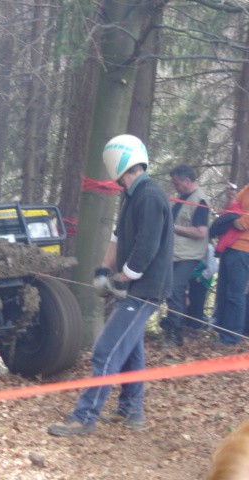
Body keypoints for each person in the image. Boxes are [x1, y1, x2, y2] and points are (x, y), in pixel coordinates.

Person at [47, 134, 173, 437]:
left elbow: (148, 246)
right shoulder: (132, 195)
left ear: (120, 164)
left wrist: (123, 276)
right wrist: (104, 269)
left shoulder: (151, 196)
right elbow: (118, 238)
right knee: (130, 349)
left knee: (105, 349)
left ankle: (84, 417)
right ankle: (132, 411)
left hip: (146, 289)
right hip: (137, 288)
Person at [161, 165, 210, 345]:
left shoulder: (200, 200)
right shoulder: (180, 198)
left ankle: (175, 333)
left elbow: (201, 232)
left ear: (187, 180)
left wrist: (175, 228)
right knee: (169, 289)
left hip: (189, 255)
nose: (175, 186)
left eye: (177, 183)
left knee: (175, 288)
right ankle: (172, 326)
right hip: (174, 253)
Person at [213, 183, 249, 345]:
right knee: (224, 292)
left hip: (243, 249)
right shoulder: (247, 188)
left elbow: (242, 223)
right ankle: (223, 331)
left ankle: (232, 337)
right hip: (229, 246)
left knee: (236, 294)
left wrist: (234, 217)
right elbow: (231, 209)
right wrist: (232, 198)